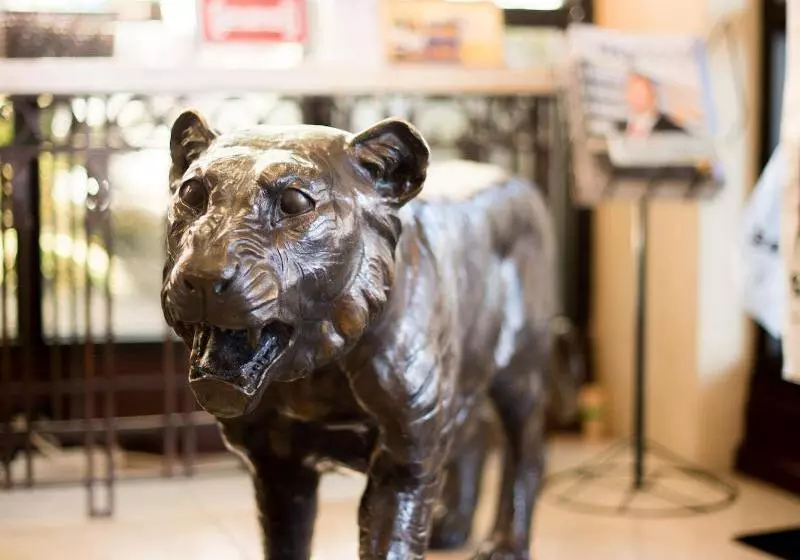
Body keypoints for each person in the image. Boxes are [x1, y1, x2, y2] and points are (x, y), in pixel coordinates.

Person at [617, 72, 684, 136]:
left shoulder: (672, 130)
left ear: (653, 92)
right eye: (632, 91)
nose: (636, 97)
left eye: (641, 92)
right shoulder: (618, 128)